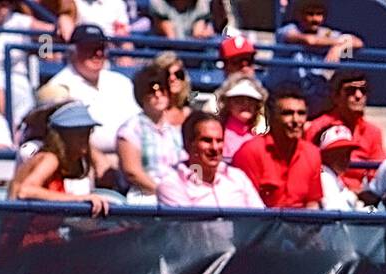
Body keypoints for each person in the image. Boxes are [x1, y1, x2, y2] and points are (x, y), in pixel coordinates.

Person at [45, 24, 139, 155]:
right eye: (90, 48)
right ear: (73, 51)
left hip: (130, 156)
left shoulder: (122, 82)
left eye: (101, 48)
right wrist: (97, 159)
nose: (98, 53)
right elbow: (63, 138)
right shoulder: (59, 86)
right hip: (85, 162)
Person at [9, 102, 113, 215]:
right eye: (79, 133)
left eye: (87, 132)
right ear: (63, 136)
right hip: (23, 231)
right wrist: (80, 199)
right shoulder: (50, 159)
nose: (85, 139)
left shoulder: (59, 164)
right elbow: (26, 191)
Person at [233, 85, 323, 209]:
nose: (296, 120)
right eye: (287, 113)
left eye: (301, 113)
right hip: (262, 225)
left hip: (302, 226)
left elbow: (312, 203)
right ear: (272, 117)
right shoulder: (249, 153)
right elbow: (246, 208)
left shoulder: (312, 154)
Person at [156, 111, 263, 208]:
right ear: (188, 144)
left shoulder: (238, 178)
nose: (215, 148)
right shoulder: (172, 184)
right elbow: (189, 228)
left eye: (219, 140)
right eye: (207, 140)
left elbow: (261, 220)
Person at [305, 70, 386, 191]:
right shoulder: (318, 127)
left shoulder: (373, 132)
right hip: (326, 193)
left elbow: (376, 175)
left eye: (363, 91)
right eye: (350, 91)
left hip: (359, 197)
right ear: (336, 96)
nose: (358, 96)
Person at [116, 65, 182, 204]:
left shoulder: (174, 131)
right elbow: (132, 172)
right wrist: (164, 193)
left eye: (162, 89)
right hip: (145, 198)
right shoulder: (130, 129)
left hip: (176, 195)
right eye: (151, 91)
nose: (158, 95)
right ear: (141, 96)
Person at [279, 0, 364, 63]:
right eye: (310, 14)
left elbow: (358, 42)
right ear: (299, 15)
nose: (315, 19)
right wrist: (340, 42)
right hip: (282, 85)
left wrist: (339, 48)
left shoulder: (326, 33)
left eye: (319, 14)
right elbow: (310, 40)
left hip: (312, 85)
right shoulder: (288, 29)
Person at [313, 123, 367, 210]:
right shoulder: (324, 177)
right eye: (338, 153)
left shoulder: (333, 175)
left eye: (347, 153)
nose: (344, 158)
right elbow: (337, 213)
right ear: (325, 154)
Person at [216, 73, 267, 163]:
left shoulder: (259, 137)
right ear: (228, 103)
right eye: (238, 100)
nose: (245, 104)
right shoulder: (218, 135)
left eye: (251, 100)